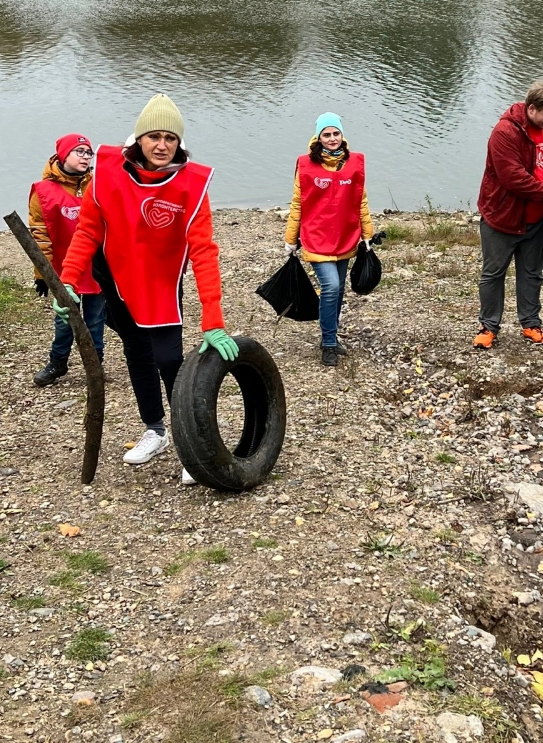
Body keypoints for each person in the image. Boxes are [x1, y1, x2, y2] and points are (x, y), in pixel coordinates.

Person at [57, 94, 239, 468]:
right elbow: (88, 231)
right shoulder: (107, 173)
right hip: (117, 278)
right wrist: (69, 281)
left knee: (170, 359)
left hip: (161, 280)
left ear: (179, 143)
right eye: (154, 136)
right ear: (139, 139)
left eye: (170, 138)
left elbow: (204, 251)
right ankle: (155, 430)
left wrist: (213, 320)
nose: (162, 145)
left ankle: (191, 438)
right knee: (137, 355)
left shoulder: (191, 185)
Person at [475, 80, 543, 348]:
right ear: (532, 109)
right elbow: (514, 179)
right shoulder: (504, 133)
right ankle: (488, 327)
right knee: (493, 273)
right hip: (502, 217)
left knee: (532, 273)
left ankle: (531, 324)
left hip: (536, 218)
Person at [284, 113, 374, 367]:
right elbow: (297, 204)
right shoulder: (305, 165)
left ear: (342, 135)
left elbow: (361, 202)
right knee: (331, 287)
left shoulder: (354, 164)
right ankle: (329, 342)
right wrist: (291, 238)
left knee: (339, 289)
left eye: (336, 134)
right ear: (319, 137)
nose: (332, 139)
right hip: (316, 238)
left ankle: (331, 335)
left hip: (346, 237)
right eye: (327, 134)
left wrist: (367, 235)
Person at [28, 133, 106, 388]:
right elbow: (39, 235)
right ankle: (58, 362)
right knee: (64, 321)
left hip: (98, 268)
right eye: (79, 152)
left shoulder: (99, 184)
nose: (85, 157)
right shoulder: (43, 191)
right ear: (63, 155)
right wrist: (42, 275)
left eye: (89, 153)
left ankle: (95, 366)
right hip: (65, 270)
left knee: (96, 321)